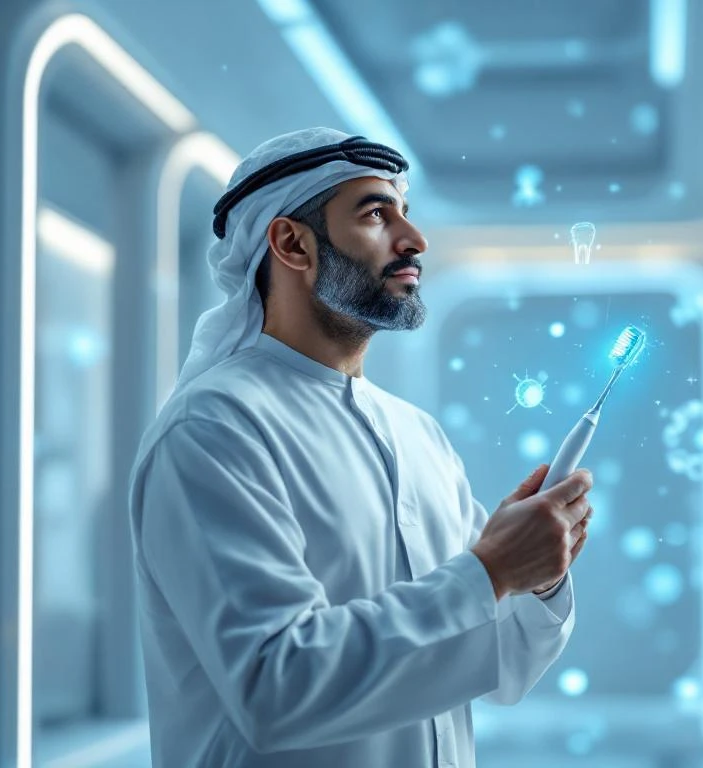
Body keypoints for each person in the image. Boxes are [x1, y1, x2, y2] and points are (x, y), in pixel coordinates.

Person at [128, 127, 594, 768]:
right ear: (292, 244)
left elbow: (499, 664)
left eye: (406, 212)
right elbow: (277, 688)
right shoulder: (215, 430)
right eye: (377, 214)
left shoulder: (418, 435)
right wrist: (490, 571)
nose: (414, 240)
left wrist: (538, 577)